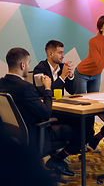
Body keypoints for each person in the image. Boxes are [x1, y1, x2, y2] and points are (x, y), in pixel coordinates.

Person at [0, 48, 86, 177]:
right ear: (22, 65)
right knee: (86, 131)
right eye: (28, 63)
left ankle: (51, 160)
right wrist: (47, 88)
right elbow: (46, 114)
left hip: (12, 134)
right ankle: (56, 159)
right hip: (36, 132)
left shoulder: (1, 83)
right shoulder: (26, 88)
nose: (29, 66)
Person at [74, 15, 104, 93]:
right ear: (101, 28)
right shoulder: (93, 41)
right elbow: (100, 65)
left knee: (94, 99)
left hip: (96, 74)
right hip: (82, 73)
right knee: (80, 99)